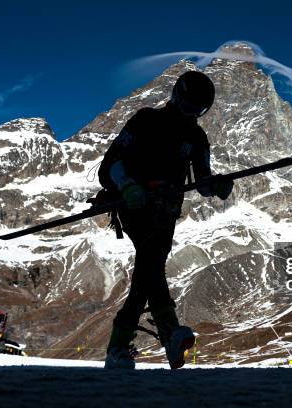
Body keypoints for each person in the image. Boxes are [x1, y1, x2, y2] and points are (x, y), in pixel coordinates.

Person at [98, 71, 233, 370]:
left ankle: (123, 347)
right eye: (187, 105)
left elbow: (203, 180)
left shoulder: (197, 138)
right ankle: (166, 333)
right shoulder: (145, 120)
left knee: (151, 267)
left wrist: (218, 186)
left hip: (166, 212)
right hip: (134, 205)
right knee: (150, 259)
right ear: (176, 96)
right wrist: (128, 186)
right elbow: (108, 166)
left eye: (196, 110)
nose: (189, 114)